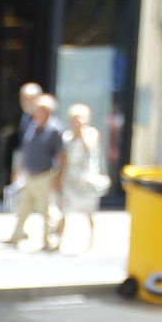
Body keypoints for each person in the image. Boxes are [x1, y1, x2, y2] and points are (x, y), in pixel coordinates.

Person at [3, 93, 63, 251]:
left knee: (46, 210)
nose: (36, 113)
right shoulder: (33, 126)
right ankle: (16, 237)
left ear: (48, 112)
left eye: (39, 110)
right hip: (29, 174)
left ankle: (48, 240)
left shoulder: (54, 130)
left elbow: (60, 155)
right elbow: (27, 150)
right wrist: (19, 168)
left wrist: (58, 178)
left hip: (44, 175)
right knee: (24, 208)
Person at [57, 103, 106, 250]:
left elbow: (89, 147)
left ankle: (90, 241)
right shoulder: (67, 137)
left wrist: (82, 131)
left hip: (86, 180)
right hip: (70, 179)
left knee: (89, 211)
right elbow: (62, 160)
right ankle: (59, 241)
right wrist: (57, 178)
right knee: (64, 210)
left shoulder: (91, 133)